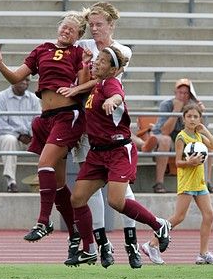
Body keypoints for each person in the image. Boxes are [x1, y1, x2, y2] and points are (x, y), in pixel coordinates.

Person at [0, 13, 91, 244]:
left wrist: (84, 71)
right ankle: (74, 238)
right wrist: (0, 64)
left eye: (72, 30)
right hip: (46, 119)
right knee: (59, 185)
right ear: (58, 27)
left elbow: (85, 87)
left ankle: (43, 221)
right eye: (64, 27)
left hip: (67, 116)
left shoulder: (79, 53)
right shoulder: (41, 50)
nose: (66, 31)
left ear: (79, 35)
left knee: (44, 164)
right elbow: (16, 77)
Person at [67, 46, 172, 267]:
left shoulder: (110, 83)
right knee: (77, 199)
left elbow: (117, 94)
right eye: (97, 59)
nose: (97, 63)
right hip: (97, 153)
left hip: (117, 151)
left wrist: (112, 101)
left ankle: (159, 224)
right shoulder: (96, 85)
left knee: (116, 201)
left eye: (103, 62)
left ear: (114, 69)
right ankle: (89, 249)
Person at [57, 1, 143, 269]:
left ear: (111, 25)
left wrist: (77, 88)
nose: (94, 29)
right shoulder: (82, 48)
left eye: (99, 24)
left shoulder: (121, 50)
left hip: (111, 126)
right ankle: (98, 245)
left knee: (122, 190)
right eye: (91, 25)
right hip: (86, 123)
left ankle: (132, 242)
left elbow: (106, 79)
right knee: (89, 187)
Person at [142, 101, 213, 266]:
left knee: (209, 215)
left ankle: (203, 253)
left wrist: (205, 130)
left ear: (200, 118)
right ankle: (151, 244)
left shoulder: (200, 136)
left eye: (196, 116)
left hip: (200, 183)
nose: (192, 119)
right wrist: (190, 162)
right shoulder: (181, 137)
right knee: (178, 217)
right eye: (189, 116)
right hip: (187, 182)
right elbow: (178, 162)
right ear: (183, 119)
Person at [141, 77, 213, 194]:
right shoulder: (166, 104)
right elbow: (165, 131)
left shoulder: (194, 107)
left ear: (190, 95)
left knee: (208, 145)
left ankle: (207, 182)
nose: (183, 96)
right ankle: (159, 183)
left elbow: (202, 129)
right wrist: (176, 111)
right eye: (180, 92)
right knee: (165, 140)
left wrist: (202, 114)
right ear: (175, 93)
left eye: (186, 93)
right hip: (167, 137)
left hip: (186, 138)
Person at [0, 77, 41, 193]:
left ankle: (43, 180)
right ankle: (11, 182)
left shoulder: (33, 99)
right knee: (10, 139)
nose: (25, 82)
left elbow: (38, 121)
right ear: (13, 81)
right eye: (21, 80)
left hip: (28, 138)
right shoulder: (1, 98)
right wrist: (18, 135)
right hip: (4, 138)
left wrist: (31, 135)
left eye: (27, 80)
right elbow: (0, 124)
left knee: (47, 142)